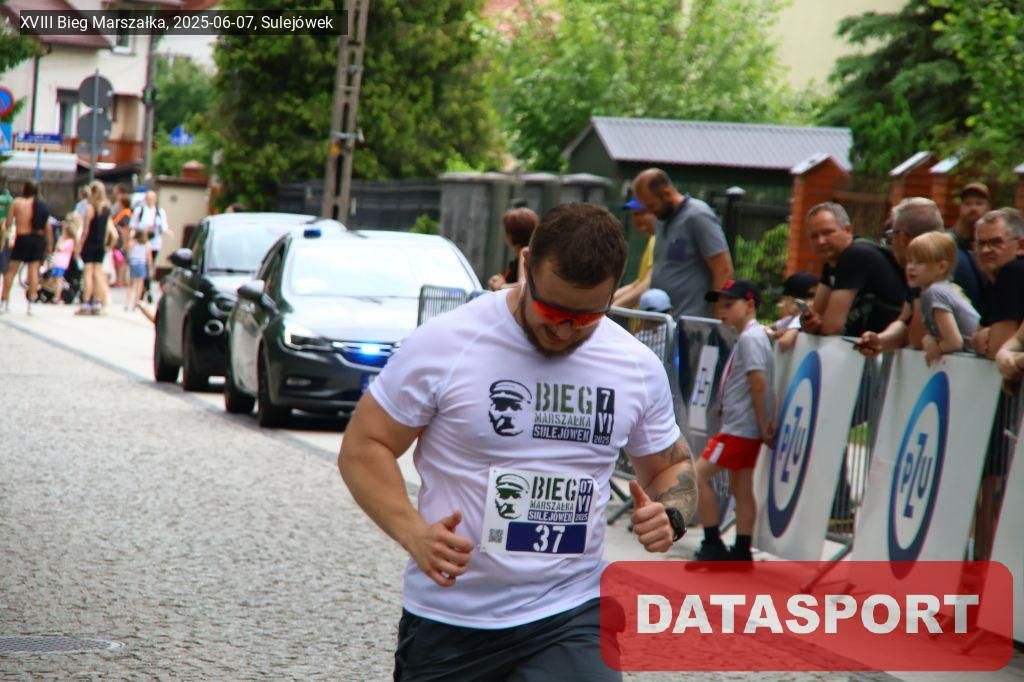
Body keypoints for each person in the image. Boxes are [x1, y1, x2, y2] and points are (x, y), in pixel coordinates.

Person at [338, 203, 698, 681]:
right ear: (526, 264)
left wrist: (671, 513)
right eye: (552, 310)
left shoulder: (634, 365)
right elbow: (365, 445)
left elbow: (672, 466)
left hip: (570, 612)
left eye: (586, 317)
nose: (564, 329)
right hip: (452, 618)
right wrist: (413, 532)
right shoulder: (447, 343)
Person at [691, 280, 774, 564]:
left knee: (694, 477)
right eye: (719, 306)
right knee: (742, 487)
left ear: (749, 305)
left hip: (739, 429)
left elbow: (758, 382)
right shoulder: (753, 336)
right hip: (744, 428)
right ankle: (741, 550)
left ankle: (712, 542)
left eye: (728, 305)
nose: (721, 311)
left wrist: (763, 424)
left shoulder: (751, 338)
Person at [632, 168, 733, 318]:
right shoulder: (661, 220)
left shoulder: (698, 215)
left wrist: (716, 317)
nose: (650, 212)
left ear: (667, 193)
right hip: (663, 322)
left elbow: (723, 269)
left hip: (691, 321)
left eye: (652, 206)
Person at [800, 202, 905, 337]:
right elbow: (817, 314)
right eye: (814, 236)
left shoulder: (855, 254)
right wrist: (809, 322)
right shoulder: (832, 259)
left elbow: (831, 327)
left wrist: (818, 325)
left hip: (887, 345)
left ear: (848, 230)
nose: (821, 241)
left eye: (827, 232)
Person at [904, 232, 979, 365]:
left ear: (942, 267)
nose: (911, 267)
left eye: (920, 262)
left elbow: (954, 342)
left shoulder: (935, 292)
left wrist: (936, 348)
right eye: (909, 261)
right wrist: (929, 339)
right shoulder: (944, 289)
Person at [970, 208, 1024, 359]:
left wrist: (979, 341)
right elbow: (978, 335)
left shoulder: (1013, 271)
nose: (986, 250)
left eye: (996, 242)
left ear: (1021, 246)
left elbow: (997, 348)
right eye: (981, 243)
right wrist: (977, 339)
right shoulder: (995, 279)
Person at [1, 181, 52, 315]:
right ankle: (31, 304)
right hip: (37, 240)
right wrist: (49, 245)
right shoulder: (41, 205)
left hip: (22, 238)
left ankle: (4, 301)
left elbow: (8, 223)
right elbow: (47, 227)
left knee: (11, 271)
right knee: (33, 271)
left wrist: (7, 236)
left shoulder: (17, 203)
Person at [76, 181, 115, 315]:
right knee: (98, 274)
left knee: (87, 273)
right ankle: (99, 301)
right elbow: (110, 232)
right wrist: (107, 245)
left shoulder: (90, 208)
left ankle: (86, 302)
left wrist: (79, 245)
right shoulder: (106, 208)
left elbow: (85, 231)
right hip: (100, 245)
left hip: (89, 244)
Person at [612, 198, 656, 309]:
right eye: (635, 214)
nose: (638, 219)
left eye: (642, 213)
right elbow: (639, 283)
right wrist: (604, 302)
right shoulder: (652, 240)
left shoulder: (657, 241)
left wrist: (609, 309)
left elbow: (648, 284)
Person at [130, 190, 172, 302]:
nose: (149, 201)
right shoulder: (140, 211)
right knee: (144, 265)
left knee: (149, 265)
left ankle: (145, 289)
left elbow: (164, 227)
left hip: (155, 243)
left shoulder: (159, 212)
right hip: (142, 242)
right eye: (148, 198)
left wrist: (168, 232)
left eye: (152, 198)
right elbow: (133, 225)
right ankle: (146, 290)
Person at [487, 207, 538, 291]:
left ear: (510, 236)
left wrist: (500, 287)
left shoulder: (524, 252)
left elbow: (523, 285)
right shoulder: (535, 255)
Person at [771, 272, 817, 353]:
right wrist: (773, 333)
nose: (783, 303)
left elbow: (784, 342)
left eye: (785, 299)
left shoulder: (799, 318)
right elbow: (768, 328)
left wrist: (775, 335)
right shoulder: (790, 319)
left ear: (792, 300)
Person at [124, 228, 153, 311]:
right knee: (139, 286)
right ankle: (135, 304)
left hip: (133, 263)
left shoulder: (132, 243)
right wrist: (150, 268)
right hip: (142, 264)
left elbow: (128, 252)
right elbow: (149, 258)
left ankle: (127, 303)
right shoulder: (147, 244)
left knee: (130, 285)